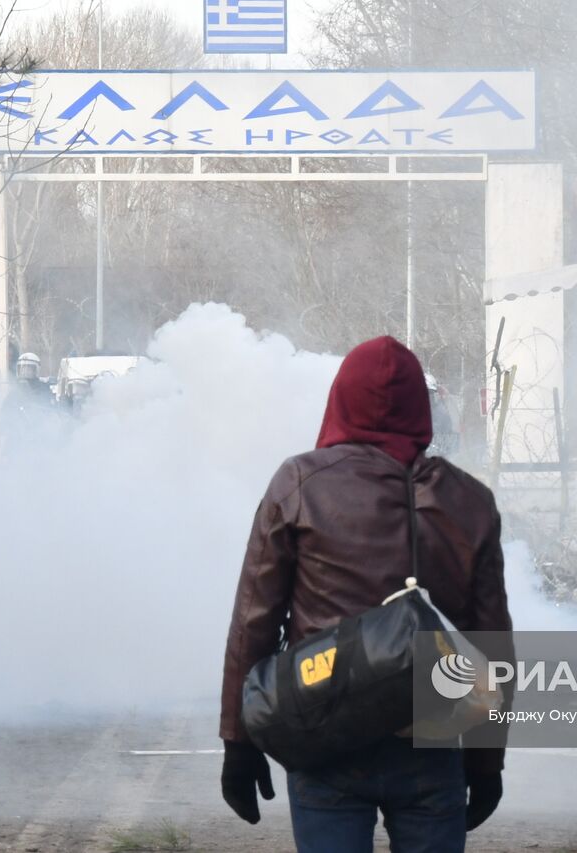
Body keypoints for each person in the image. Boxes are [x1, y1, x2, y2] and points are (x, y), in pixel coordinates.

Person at [219, 336, 513, 853]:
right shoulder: (470, 500)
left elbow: (254, 623)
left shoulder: (300, 484)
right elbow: (491, 644)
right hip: (430, 735)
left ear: (340, 400)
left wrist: (238, 741)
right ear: (422, 411)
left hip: (323, 732)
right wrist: (487, 762)